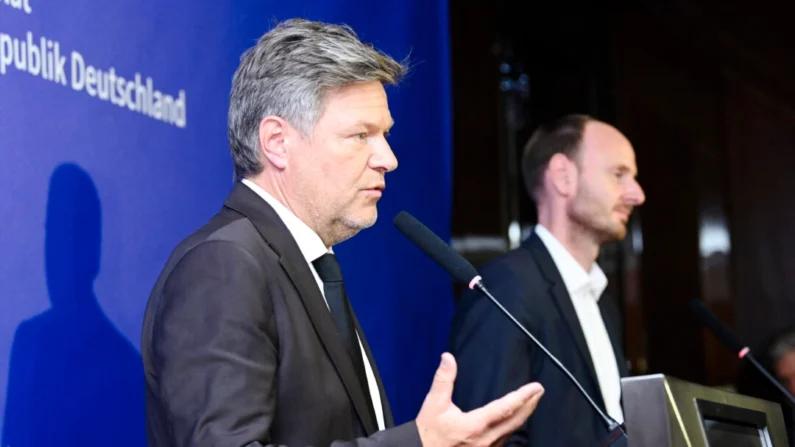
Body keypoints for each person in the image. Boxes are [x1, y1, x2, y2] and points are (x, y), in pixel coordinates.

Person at [140, 18, 544, 447]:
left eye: (384, 134)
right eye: (360, 135)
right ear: (277, 142)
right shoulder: (224, 265)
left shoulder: (307, 264)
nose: (387, 158)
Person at [449, 114, 645, 446]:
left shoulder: (604, 302)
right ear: (563, 176)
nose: (637, 194)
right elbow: (486, 438)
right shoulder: (505, 287)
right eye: (619, 174)